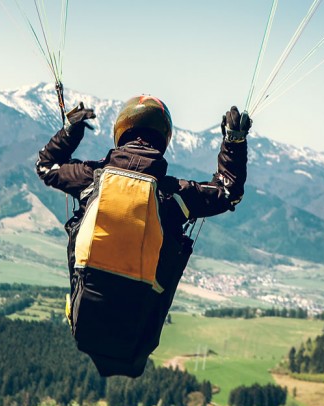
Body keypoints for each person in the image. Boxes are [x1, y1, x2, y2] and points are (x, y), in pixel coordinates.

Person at [36, 95, 250, 377]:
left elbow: (46, 166)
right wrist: (234, 141)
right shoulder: (173, 196)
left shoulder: (92, 178)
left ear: (121, 133)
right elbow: (228, 192)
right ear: (163, 139)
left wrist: (70, 131)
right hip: (136, 332)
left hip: (86, 319)